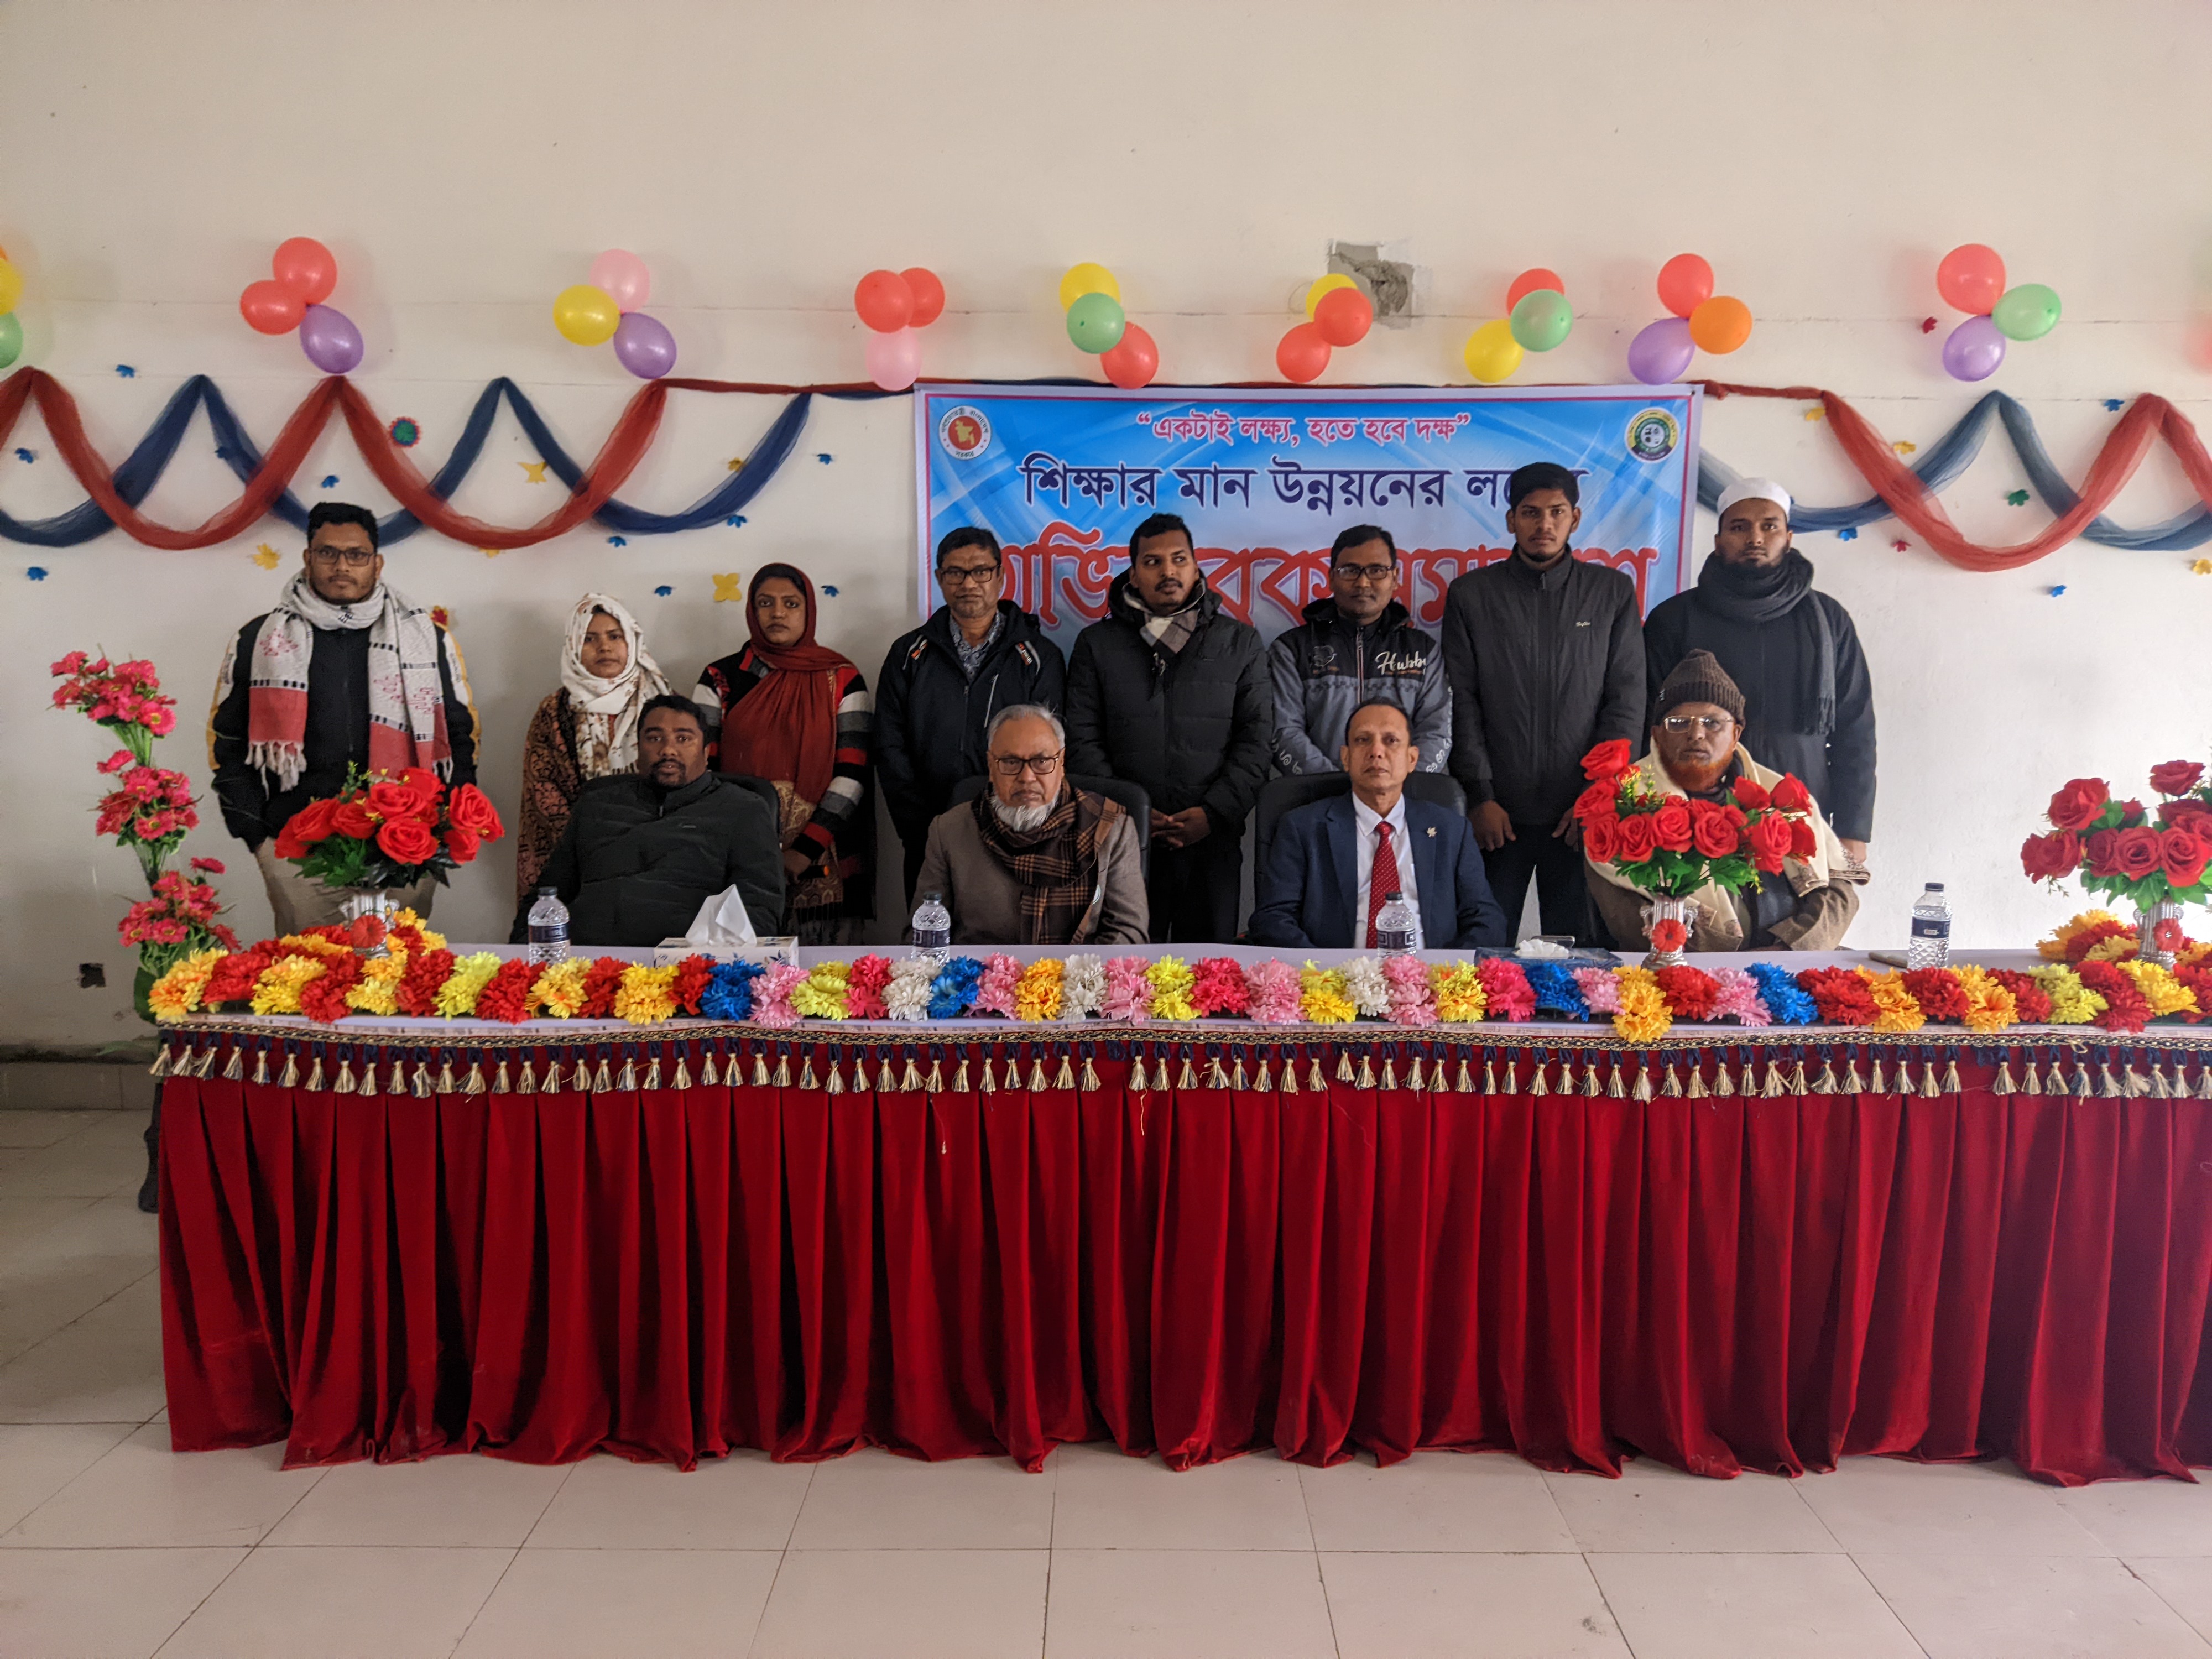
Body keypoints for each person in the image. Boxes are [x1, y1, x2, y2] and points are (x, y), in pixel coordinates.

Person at [210, 500, 478, 934]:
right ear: (308, 558)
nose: (342, 566)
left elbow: (460, 736)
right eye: (328, 553)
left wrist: (443, 830)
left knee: (401, 971)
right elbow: (228, 742)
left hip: (406, 847)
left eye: (356, 555)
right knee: (307, 973)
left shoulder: (424, 638)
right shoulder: (261, 639)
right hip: (298, 852)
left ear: (377, 562)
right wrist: (258, 837)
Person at [1441, 461, 1642, 941]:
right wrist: (1480, 797)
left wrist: (1597, 798)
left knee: (1581, 955)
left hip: (1581, 816)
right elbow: (1461, 701)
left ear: (1575, 518)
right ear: (1511, 520)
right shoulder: (1472, 595)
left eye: (1556, 512)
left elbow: (1625, 701)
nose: (1544, 524)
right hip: (1497, 816)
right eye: (1531, 513)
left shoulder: (1610, 592)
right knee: (1482, 951)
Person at [1641, 477, 1876, 867]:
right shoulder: (1675, 619)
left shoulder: (1828, 620)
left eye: (1769, 526)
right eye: (1740, 527)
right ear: (1718, 541)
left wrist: (1853, 829)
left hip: (1802, 818)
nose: (1755, 538)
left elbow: (1856, 730)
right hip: (1697, 819)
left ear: (1789, 538)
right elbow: (1648, 726)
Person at [1065, 512, 1273, 942]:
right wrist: (1131, 814)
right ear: (1134, 575)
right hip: (1122, 841)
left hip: (1212, 840)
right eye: (1152, 562)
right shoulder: (1097, 645)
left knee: (1211, 973)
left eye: (1179, 559)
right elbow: (1082, 739)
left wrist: (1213, 814)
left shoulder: (1240, 642)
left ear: (1196, 568)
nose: (1168, 572)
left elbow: (1256, 740)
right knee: (1127, 968)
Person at [1584, 651, 1865, 951]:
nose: (1696, 734)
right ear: (1657, 735)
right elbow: (1625, 914)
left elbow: (1838, 895)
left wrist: (1789, 950)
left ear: (1735, 734)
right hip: (1680, 965)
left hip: (1793, 959)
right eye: (1678, 723)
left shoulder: (1781, 795)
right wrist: (1729, 967)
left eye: (1713, 723)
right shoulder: (1624, 802)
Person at [877, 526, 1067, 904]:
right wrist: (919, 826)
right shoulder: (908, 654)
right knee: (930, 932)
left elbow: (1049, 752)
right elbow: (889, 743)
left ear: (1000, 576)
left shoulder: (1039, 657)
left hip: (1016, 833)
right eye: (955, 573)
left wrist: (1021, 821)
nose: (968, 584)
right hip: (928, 831)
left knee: (1006, 931)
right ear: (939, 579)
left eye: (980, 571)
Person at [692, 565, 875, 945]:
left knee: (829, 977)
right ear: (752, 611)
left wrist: (803, 852)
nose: (778, 613)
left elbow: (853, 773)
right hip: (738, 855)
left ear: (809, 611)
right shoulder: (719, 679)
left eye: (791, 604)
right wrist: (749, 852)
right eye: (766, 603)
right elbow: (702, 772)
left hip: (825, 861)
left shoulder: (842, 677)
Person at [523, 695, 783, 947]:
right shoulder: (595, 805)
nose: (668, 750)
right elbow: (547, 897)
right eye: (654, 738)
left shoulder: (743, 809)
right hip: (587, 959)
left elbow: (758, 911)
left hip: (688, 963)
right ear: (637, 750)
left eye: (683, 739)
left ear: (706, 753)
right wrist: (523, 958)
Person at [1249, 700, 1506, 949]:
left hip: (1431, 973)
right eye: (1363, 740)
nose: (1377, 752)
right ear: (1346, 758)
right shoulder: (1303, 828)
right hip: (1334, 975)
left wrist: (1450, 972)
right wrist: (1323, 972)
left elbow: (1486, 919)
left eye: (1391, 740)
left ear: (1412, 758)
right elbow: (1273, 919)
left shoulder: (1451, 830)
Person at [914, 705, 1147, 945]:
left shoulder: (1111, 829)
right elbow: (923, 936)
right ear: (991, 766)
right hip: (977, 968)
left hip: (1080, 968)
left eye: (1042, 761)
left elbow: (1129, 934)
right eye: (1010, 762)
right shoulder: (949, 830)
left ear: (1061, 763)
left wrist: (1080, 970)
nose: (1026, 778)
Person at [514, 593, 671, 902]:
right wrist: (597, 846)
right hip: (578, 857)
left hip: (657, 854)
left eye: (615, 636)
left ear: (632, 641)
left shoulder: (664, 704)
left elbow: (687, 777)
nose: (604, 647)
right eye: (589, 639)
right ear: (573, 647)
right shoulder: (554, 711)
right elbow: (543, 788)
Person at [1269, 523, 1451, 775]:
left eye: (1377, 570)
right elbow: (1284, 731)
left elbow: (1436, 732)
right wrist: (1334, 786)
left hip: (1404, 795)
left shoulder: (1423, 651)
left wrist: (1397, 787)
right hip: (1316, 794)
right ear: (1331, 578)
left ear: (1395, 578)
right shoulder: (1292, 650)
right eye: (1350, 571)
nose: (1363, 583)